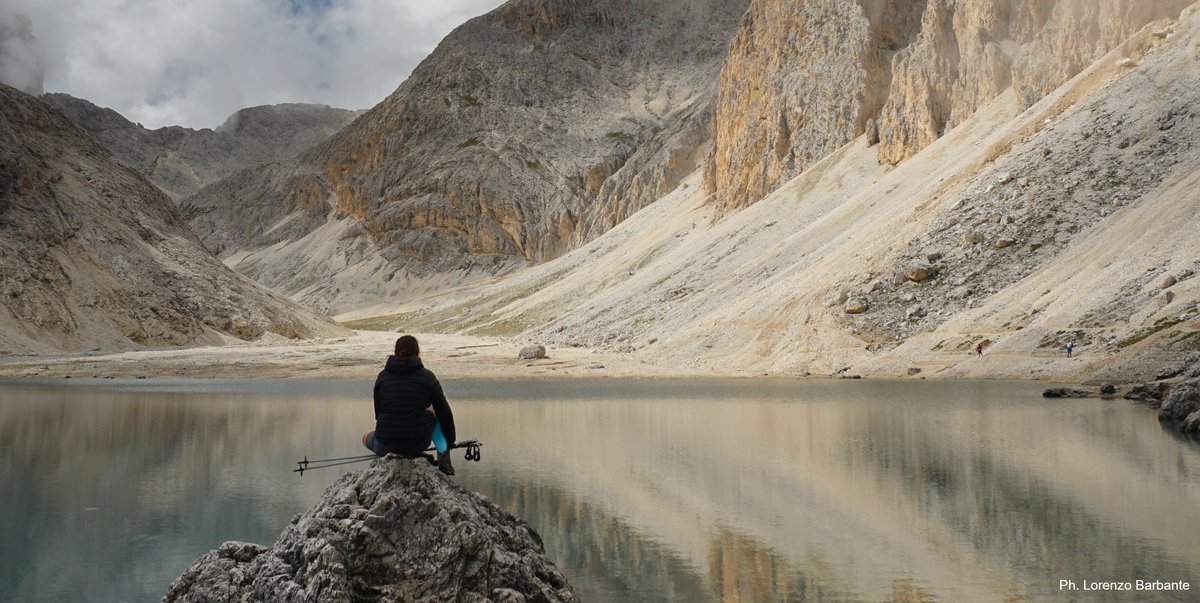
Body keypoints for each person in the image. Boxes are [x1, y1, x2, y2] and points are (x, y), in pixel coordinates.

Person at [362, 335, 457, 475]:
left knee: (365, 436)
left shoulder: (382, 377)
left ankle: (388, 462)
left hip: (384, 446)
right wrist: (451, 441)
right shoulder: (427, 377)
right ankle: (444, 463)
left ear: (395, 353)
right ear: (417, 353)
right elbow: (445, 413)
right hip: (418, 443)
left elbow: (378, 413)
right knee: (434, 413)